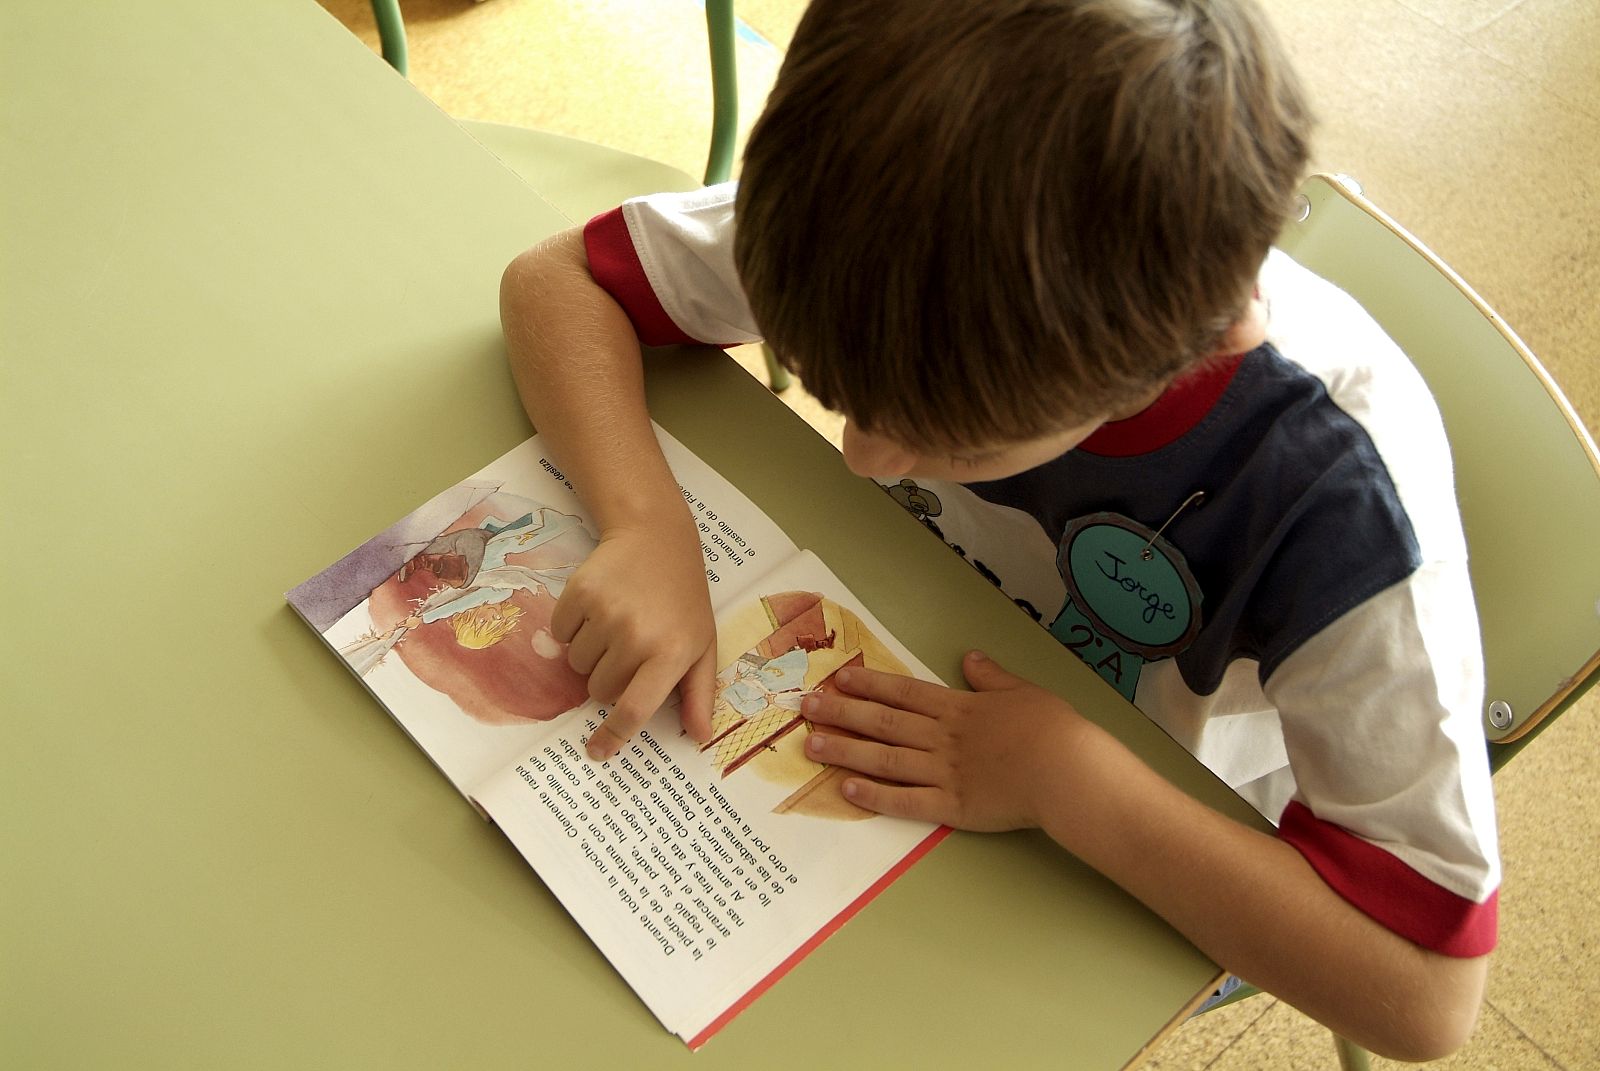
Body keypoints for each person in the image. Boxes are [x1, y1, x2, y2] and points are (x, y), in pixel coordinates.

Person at [497, 0, 1497, 1059]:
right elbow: (557, 279)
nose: (860, 457)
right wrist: (644, 522)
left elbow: (1425, 1000)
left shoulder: (1337, 510)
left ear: (1181, 357)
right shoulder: (902, 225)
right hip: (917, 649)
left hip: (1137, 825)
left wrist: (1070, 783)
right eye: (834, 392)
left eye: (941, 439)